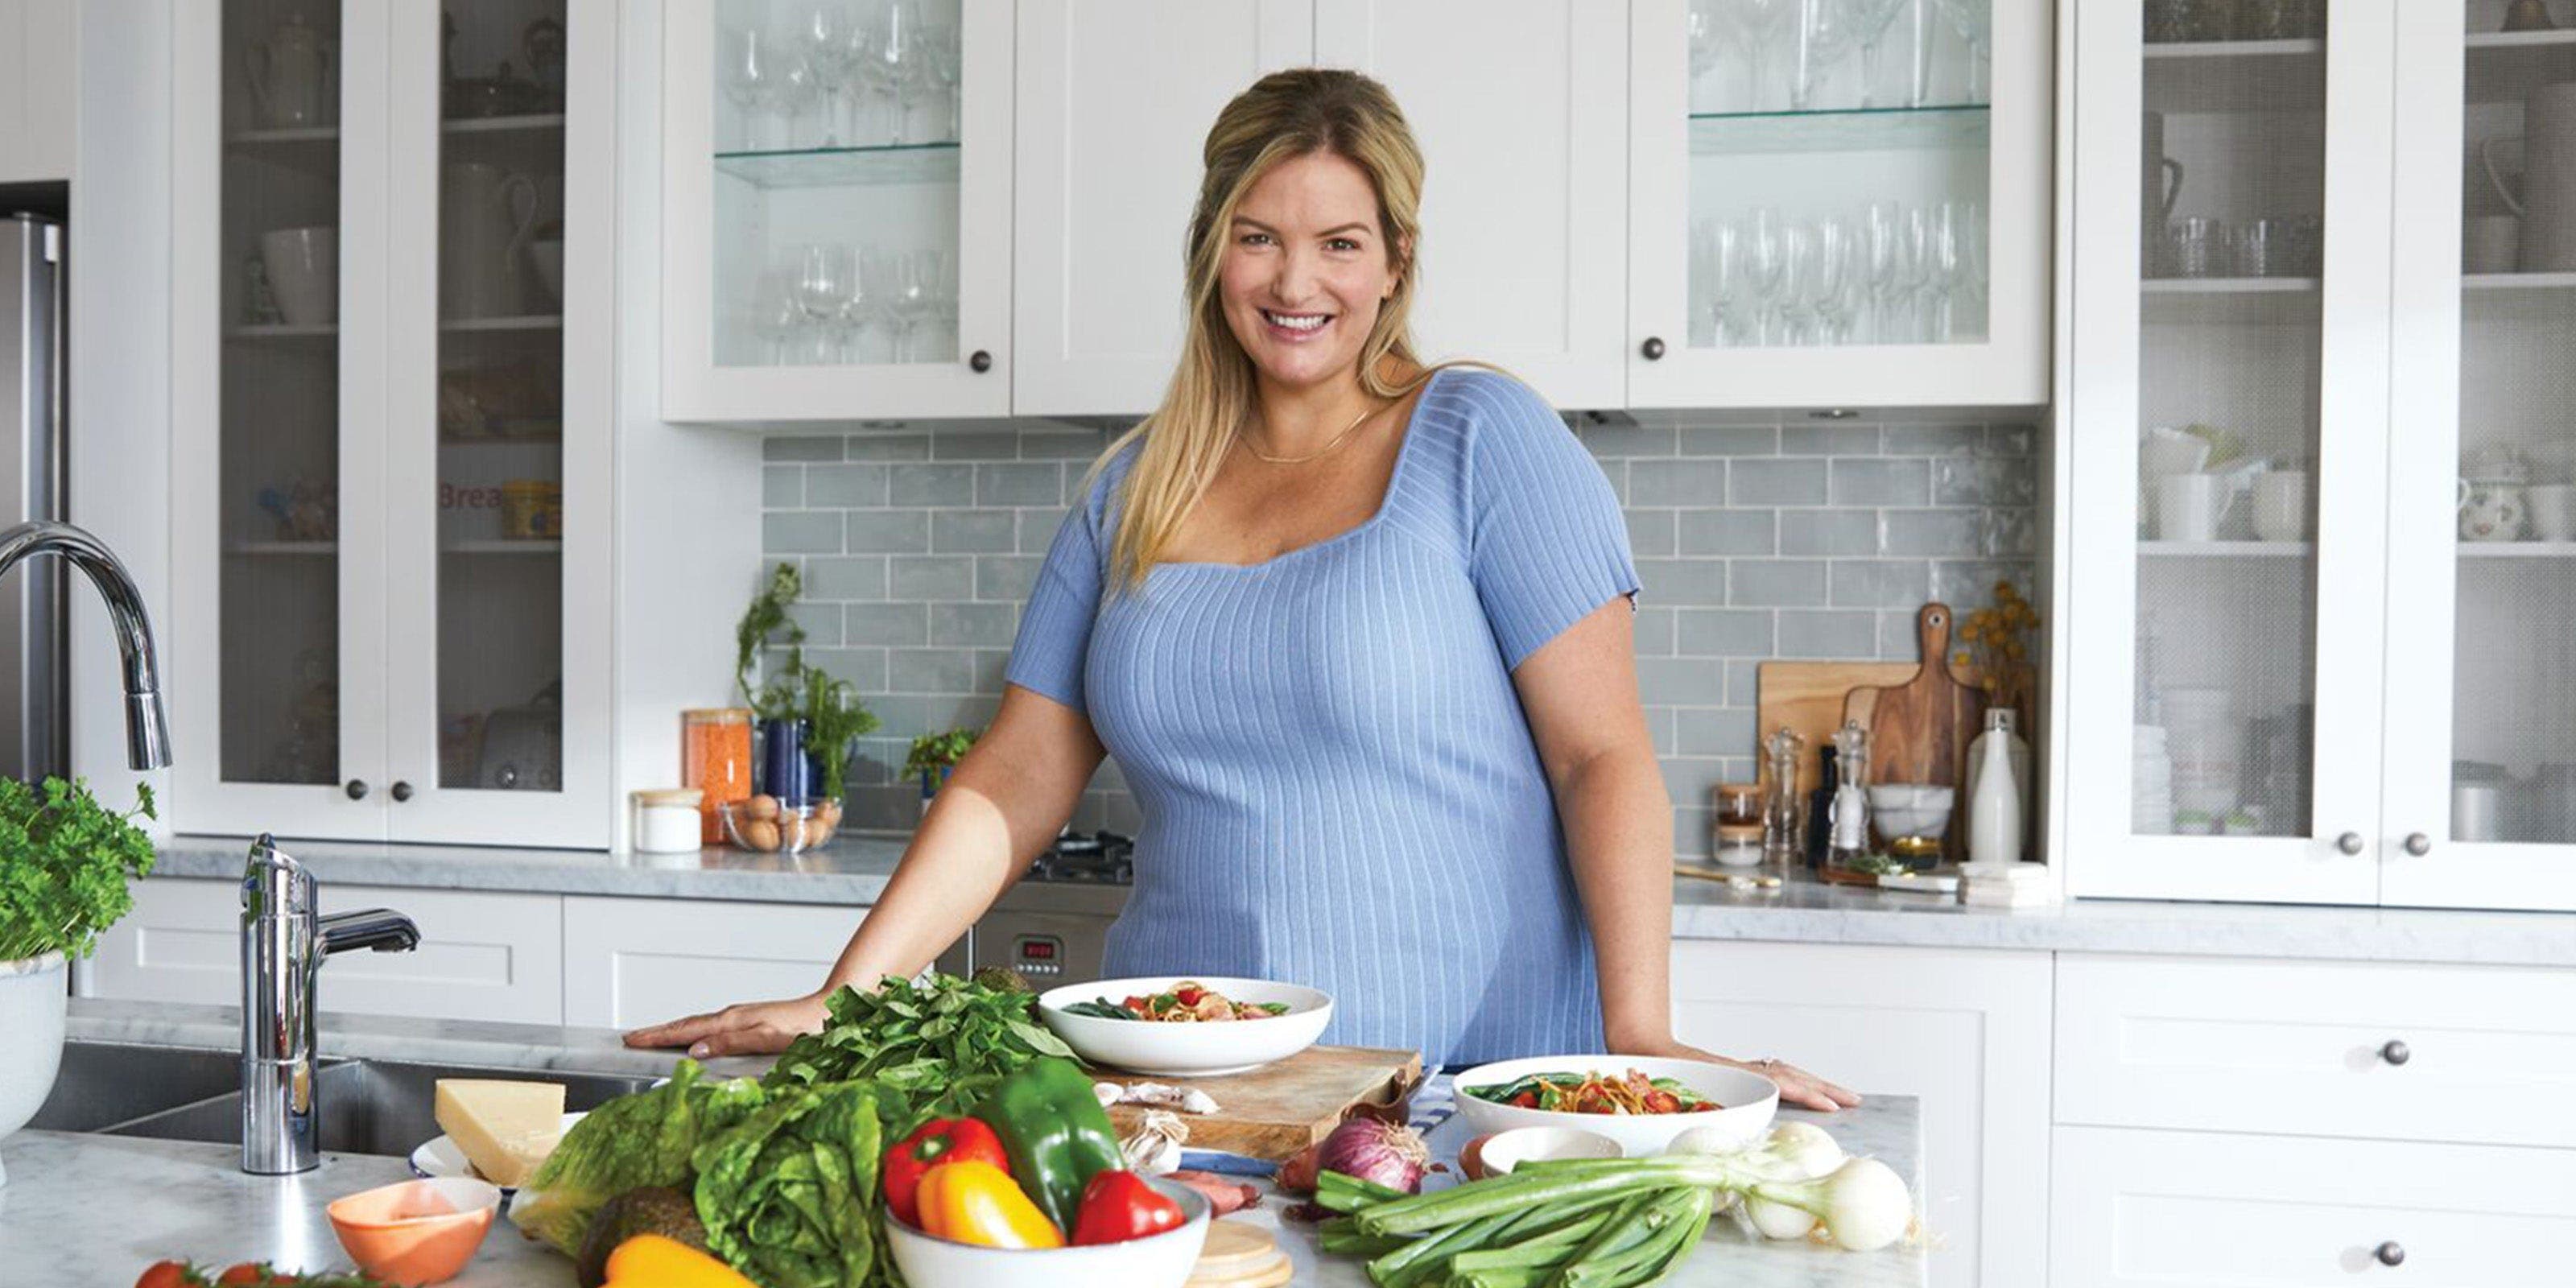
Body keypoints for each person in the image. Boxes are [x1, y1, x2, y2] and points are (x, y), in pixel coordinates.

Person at [629, 68, 1856, 1112]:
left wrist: (1640, 1028)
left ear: (1395, 264)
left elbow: (1602, 758)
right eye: (1259, 235)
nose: (1294, 281)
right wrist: (847, 997)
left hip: (1455, 1079)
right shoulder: (1134, 490)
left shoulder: (1482, 438)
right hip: (1181, 1089)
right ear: (1213, 249)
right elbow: (1016, 775)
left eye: (1341, 242)